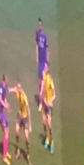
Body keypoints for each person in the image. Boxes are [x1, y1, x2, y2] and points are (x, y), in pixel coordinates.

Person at [35, 20, 54, 152]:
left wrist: (50, 100)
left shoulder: (50, 80)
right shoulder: (43, 77)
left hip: (49, 102)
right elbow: (41, 87)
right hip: (45, 101)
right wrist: (41, 95)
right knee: (44, 121)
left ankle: (52, 141)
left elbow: (54, 94)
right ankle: (47, 138)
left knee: (50, 123)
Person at [11, 80, 33, 163]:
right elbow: (12, 90)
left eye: (19, 87)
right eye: (18, 87)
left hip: (25, 117)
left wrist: (30, 125)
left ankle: (28, 154)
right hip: (19, 115)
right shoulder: (16, 91)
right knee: (16, 131)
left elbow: (28, 110)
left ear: (21, 87)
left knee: (26, 137)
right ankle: (18, 150)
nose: (18, 88)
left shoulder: (24, 97)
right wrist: (6, 89)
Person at [0, 76, 13, 164]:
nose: (8, 81)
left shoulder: (5, 88)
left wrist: (7, 105)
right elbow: (0, 99)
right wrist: (5, 106)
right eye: (7, 79)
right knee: (6, 132)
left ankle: (6, 152)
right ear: (4, 80)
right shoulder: (1, 87)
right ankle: (4, 156)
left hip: (2, 112)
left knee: (7, 130)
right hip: (0, 112)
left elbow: (4, 99)